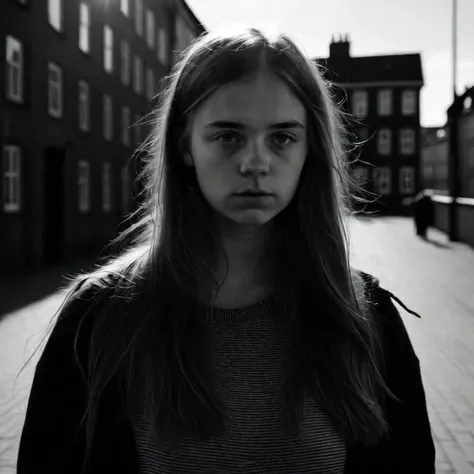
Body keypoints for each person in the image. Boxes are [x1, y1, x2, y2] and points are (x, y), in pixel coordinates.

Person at [17, 28, 435, 474]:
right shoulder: (99, 321)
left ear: (310, 147)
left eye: (282, 138)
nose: (255, 161)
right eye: (229, 136)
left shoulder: (365, 319)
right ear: (185, 146)